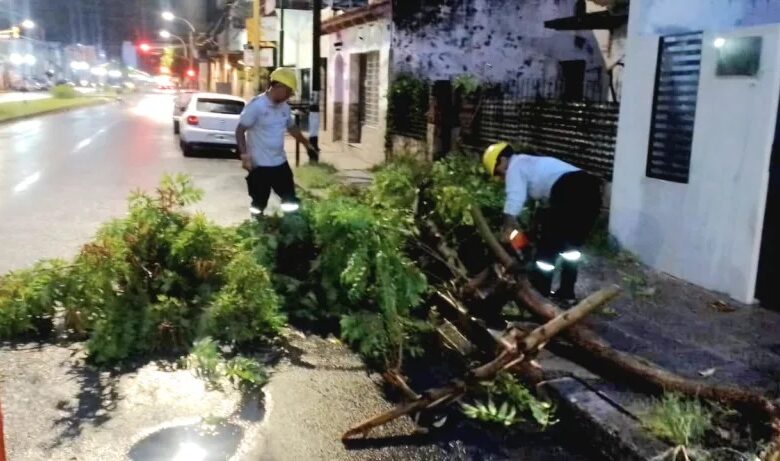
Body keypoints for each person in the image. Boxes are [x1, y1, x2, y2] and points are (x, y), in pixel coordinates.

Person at [482, 142, 602, 302]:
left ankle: (539, 294)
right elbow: (544, 204)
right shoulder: (533, 164)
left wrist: (507, 226)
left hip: (569, 190)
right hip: (591, 192)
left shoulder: (515, 166)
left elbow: (514, 197)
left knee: (547, 248)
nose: (501, 177)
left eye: (498, 173)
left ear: (503, 160)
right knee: (570, 249)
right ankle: (566, 294)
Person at [236, 67, 318, 216]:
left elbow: (292, 128)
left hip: (280, 164)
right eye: (288, 91)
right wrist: (244, 156)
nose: (289, 96)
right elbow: (240, 130)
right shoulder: (256, 106)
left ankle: (292, 229)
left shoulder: (284, 108)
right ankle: (257, 229)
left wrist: (306, 144)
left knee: (290, 201)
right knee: (259, 203)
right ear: (278, 86)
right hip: (259, 166)